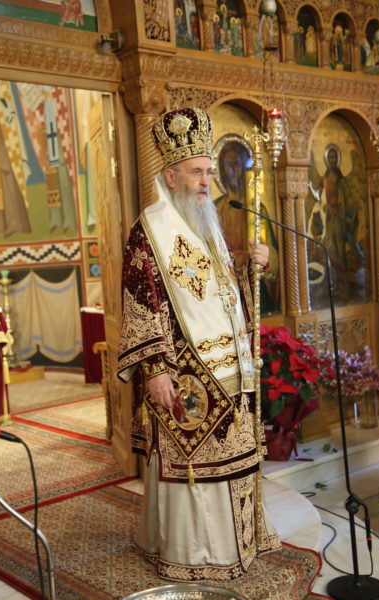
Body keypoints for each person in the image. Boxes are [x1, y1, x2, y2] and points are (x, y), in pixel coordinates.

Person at [117, 107, 280, 581]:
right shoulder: (149, 230)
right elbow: (140, 300)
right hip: (186, 371)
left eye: (208, 171)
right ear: (170, 174)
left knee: (236, 460)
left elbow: (223, 295)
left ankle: (243, 543)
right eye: (196, 172)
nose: (206, 181)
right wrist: (154, 369)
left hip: (232, 368)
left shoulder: (206, 221)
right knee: (196, 464)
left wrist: (252, 268)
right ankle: (197, 554)